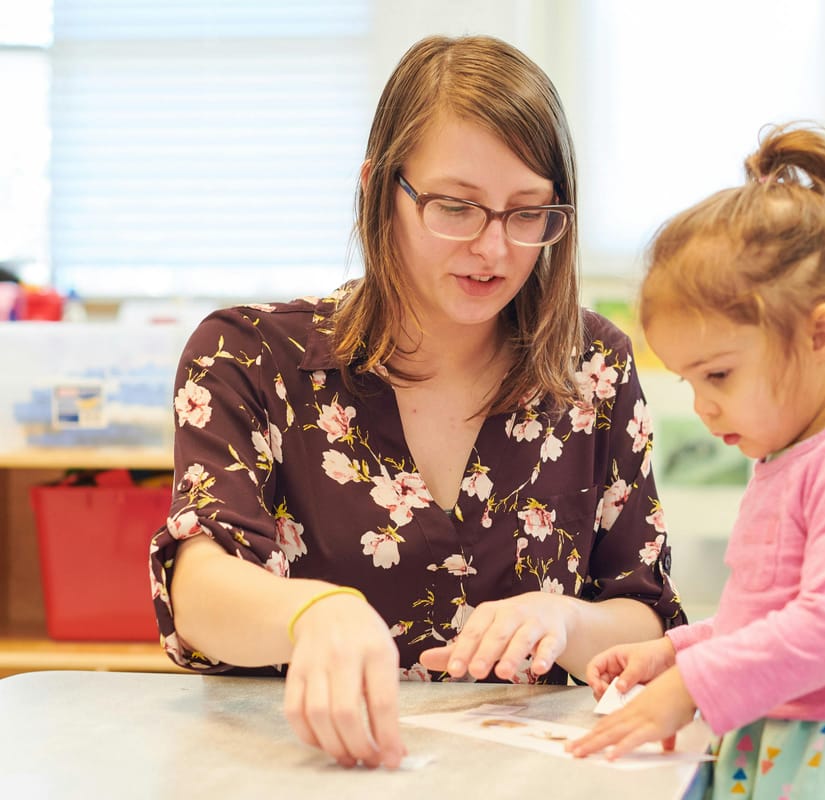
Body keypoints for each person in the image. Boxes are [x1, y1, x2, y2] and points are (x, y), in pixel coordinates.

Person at [149, 34, 684, 771]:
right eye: (456, 208)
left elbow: (644, 613)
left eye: (528, 213)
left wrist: (566, 620)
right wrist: (313, 613)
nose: (494, 249)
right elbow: (199, 590)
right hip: (304, 769)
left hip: (526, 778)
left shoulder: (592, 368)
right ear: (378, 190)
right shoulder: (249, 358)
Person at [566, 124, 825, 800]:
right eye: (690, 382)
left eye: (718, 375)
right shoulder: (795, 454)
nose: (703, 407)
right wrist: (675, 652)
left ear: (822, 334)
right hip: (796, 748)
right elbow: (773, 614)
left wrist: (695, 685)